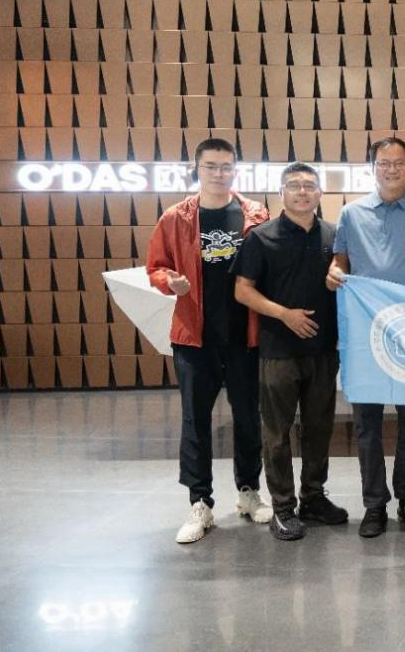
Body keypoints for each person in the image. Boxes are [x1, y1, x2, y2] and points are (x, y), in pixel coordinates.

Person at [146, 137, 272, 544]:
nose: (219, 173)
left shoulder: (255, 214)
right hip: (194, 337)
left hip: (244, 335)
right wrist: (170, 282)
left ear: (235, 169)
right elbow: (156, 266)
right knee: (195, 421)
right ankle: (200, 502)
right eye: (211, 166)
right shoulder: (175, 217)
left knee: (248, 417)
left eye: (226, 166)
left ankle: (249, 491)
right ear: (196, 169)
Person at [325, 137, 405, 538]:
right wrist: (333, 274)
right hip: (365, 332)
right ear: (373, 168)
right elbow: (340, 263)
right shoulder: (351, 213)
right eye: (384, 163)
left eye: (398, 163)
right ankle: (374, 504)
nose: (391, 169)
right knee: (367, 424)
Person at [233, 162, 348, 541]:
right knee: (277, 433)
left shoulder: (335, 235)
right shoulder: (260, 237)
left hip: (323, 349)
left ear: (319, 193)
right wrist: (285, 315)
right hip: (278, 350)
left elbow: (346, 280)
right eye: (294, 185)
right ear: (281, 192)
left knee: (319, 428)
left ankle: (313, 497)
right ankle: (283, 507)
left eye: (309, 185)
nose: (302, 191)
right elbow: (243, 290)